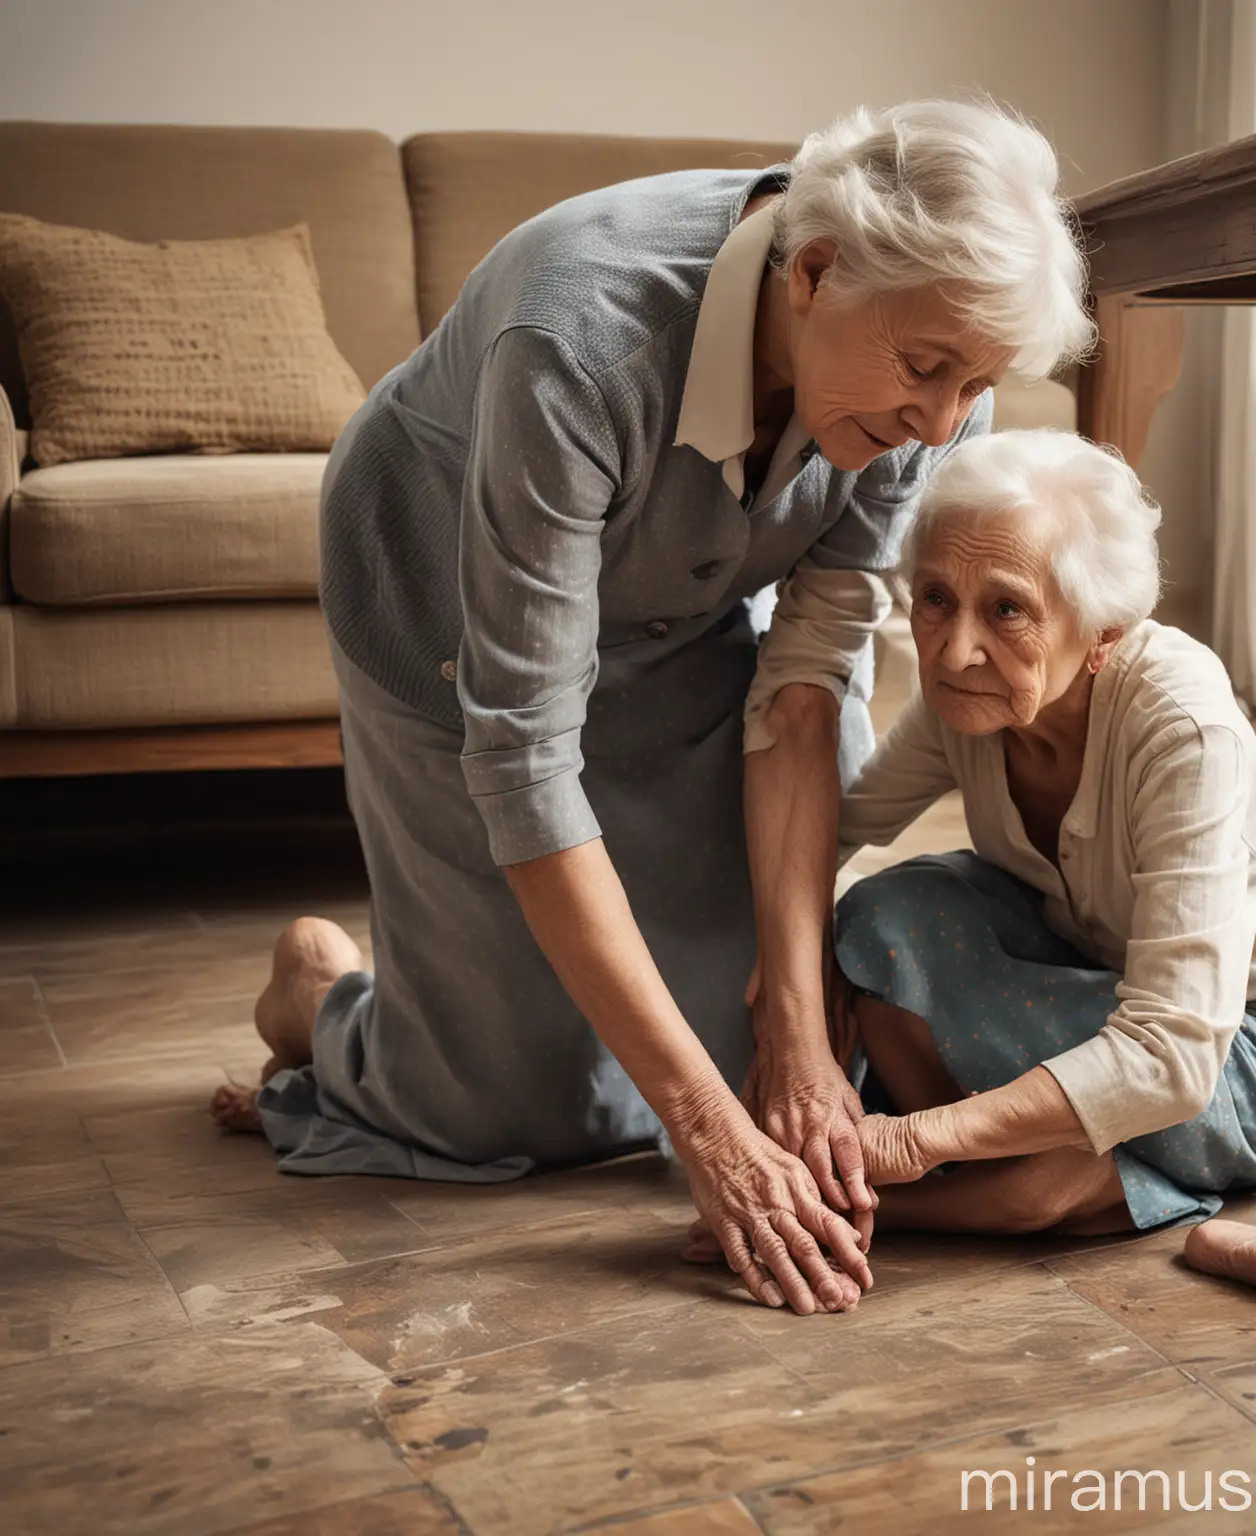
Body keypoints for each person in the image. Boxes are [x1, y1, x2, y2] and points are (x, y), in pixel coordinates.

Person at [208, 100, 1095, 1317]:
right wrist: (709, 1133)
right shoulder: (579, 334)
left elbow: (802, 684)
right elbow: (526, 758)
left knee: (776, 1050)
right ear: (816, 272)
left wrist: (789, 1029)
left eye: (976, 385)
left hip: (678, 608)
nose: (939, 427)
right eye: (925, 373)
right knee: (501, 1108)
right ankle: (320, 1000)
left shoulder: (930, 381)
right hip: (442, 606)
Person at [829, 428, 1256, 1301]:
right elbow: (831, 832)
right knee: (879, 917)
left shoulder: (1179, 722)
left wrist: (915, 1139)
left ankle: (901, 1199)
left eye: (1006, 609)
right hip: (1099, 975)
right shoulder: (965, 696)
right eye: (935, 598)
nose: (955, 649)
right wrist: (791, 1019)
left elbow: (1167, 1055)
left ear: (1103, 634)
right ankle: (1071, 1188)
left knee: (1057, 1088)